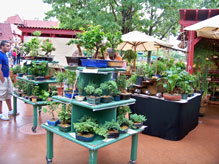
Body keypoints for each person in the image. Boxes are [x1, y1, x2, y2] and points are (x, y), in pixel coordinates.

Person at [0, 40, 17, 121]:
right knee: (1, 96)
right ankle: (0, 114)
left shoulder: (5, 55)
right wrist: (2, 78)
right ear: (2, 46)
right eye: (7, 46)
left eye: (9, 46)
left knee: (8, 94)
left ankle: (10, 110)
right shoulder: (0, 55)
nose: (8, 47)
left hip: (7, 77)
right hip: (2, 78)